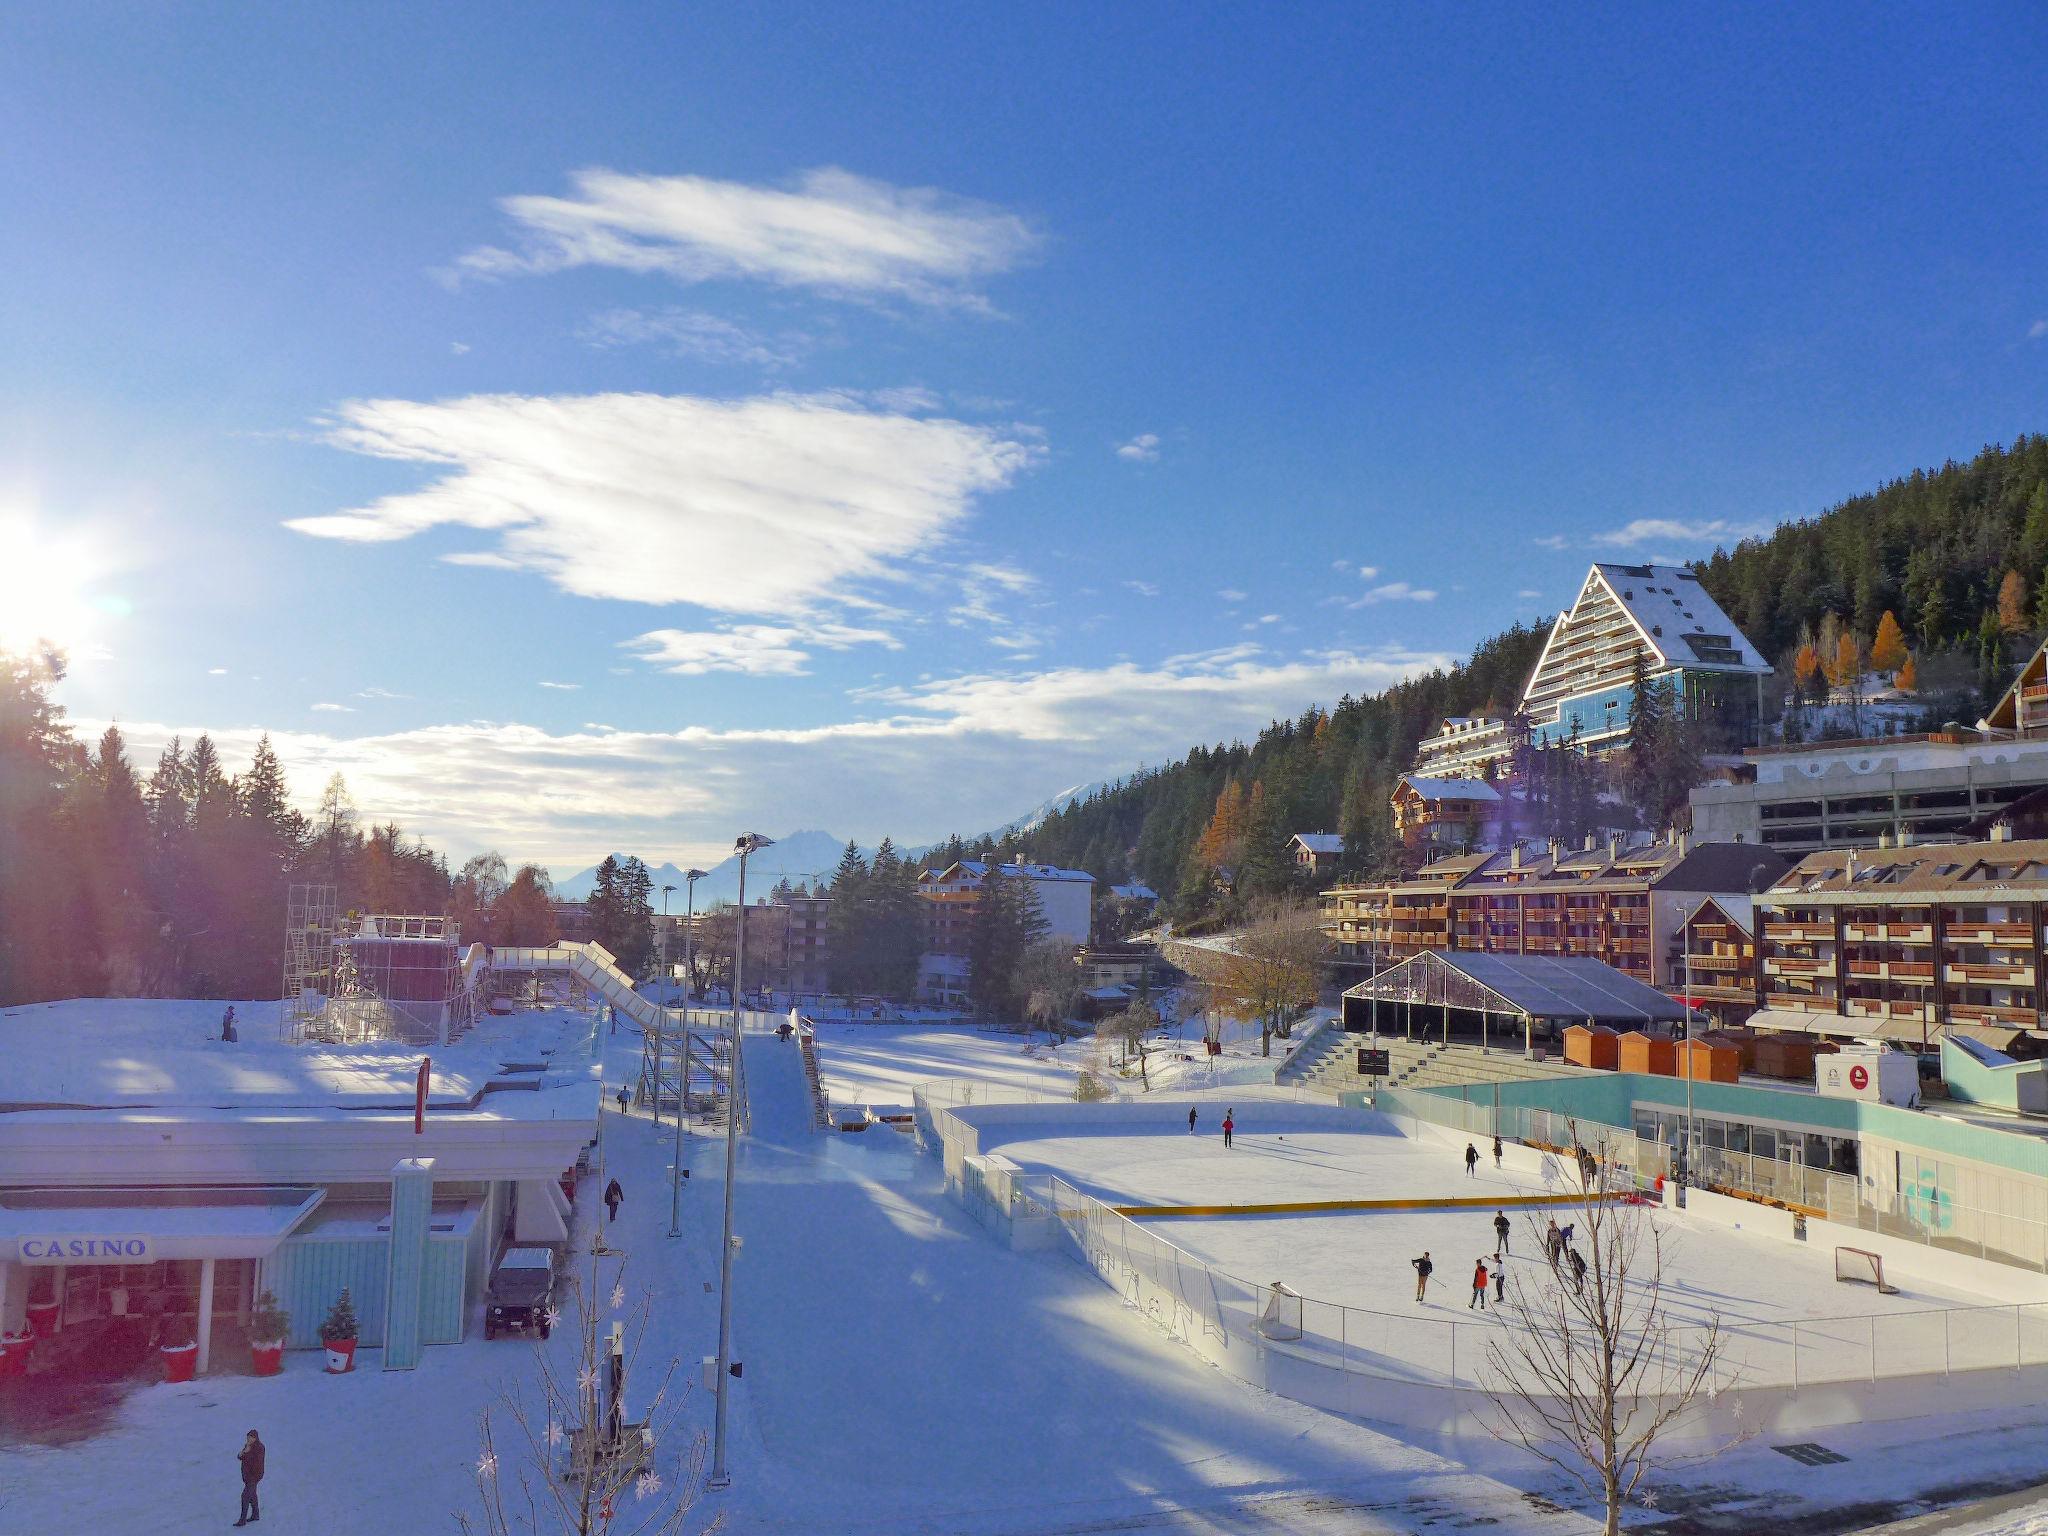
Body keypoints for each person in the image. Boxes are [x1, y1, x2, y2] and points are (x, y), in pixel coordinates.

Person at [235, 1429, 265, 1526]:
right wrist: (241, 1454)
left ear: (255, 1438)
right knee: (252, 1495)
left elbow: (256, 1463)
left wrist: (246, 1453)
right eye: (248, 1438)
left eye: (251, 1438)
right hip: (247, 1476)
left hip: (254, 1476)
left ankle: (242, 1520)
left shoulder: (260, 1448)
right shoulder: (248, 1446)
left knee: (245, 1496)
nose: (249, 1440)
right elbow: (241, 1457)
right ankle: (255, 1515)